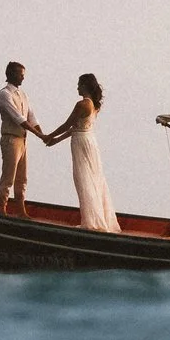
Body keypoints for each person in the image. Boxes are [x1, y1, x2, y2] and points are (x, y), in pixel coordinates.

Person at [41, 72, 119, 234]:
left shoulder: (82, 104)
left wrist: (49, 135)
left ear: (85, 85)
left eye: (79, 84)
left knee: (84, 179)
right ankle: (97, 218)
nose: (77, 87)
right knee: (94, 179)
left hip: (81, 143)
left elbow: (67, 125)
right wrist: (55, 140)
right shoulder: (95, 105)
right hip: (89, 141)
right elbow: (74, 128)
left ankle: (91, 221)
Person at [0, 61, 45, 216]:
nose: (22, 78)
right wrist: (41, 136)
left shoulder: (23, 95)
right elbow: (19, 118)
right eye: (20, 75)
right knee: (9, 175)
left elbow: (32, 117)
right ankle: (2, 207)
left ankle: (20, 209)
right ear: (11, 74)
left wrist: (43, 135)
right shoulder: (5, 94)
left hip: (22, 140)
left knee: (22, 177)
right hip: (11, 138)